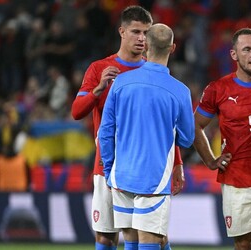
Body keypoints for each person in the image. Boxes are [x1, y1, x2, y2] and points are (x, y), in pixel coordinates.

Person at [71, 6, 183, 250]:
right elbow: (77, 111)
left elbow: (166, 125)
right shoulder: (99, 69)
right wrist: (98, 90)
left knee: (149, 235)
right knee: (105, 236)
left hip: (146, 168)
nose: (142, 38)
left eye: (146, 32)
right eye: (136, 32)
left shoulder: (154, 71)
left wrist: (177, 163)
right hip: (107, 165)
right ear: (122, 31)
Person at [98, 23, 195, 250]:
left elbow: (106, 131)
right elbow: (187, 139)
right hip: (155, 179)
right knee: (151, 242)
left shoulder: (120, 82)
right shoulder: (180, 91)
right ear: (172, 48)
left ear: (146, 47)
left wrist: (109, 169)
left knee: (132, 241)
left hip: (121, 176)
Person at [193, 27, 251, 250]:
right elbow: (195, 125)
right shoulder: (218, 89)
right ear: (234, 55)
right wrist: (210, 161)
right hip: (236, 181)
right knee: (243, 246)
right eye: (247, 50)